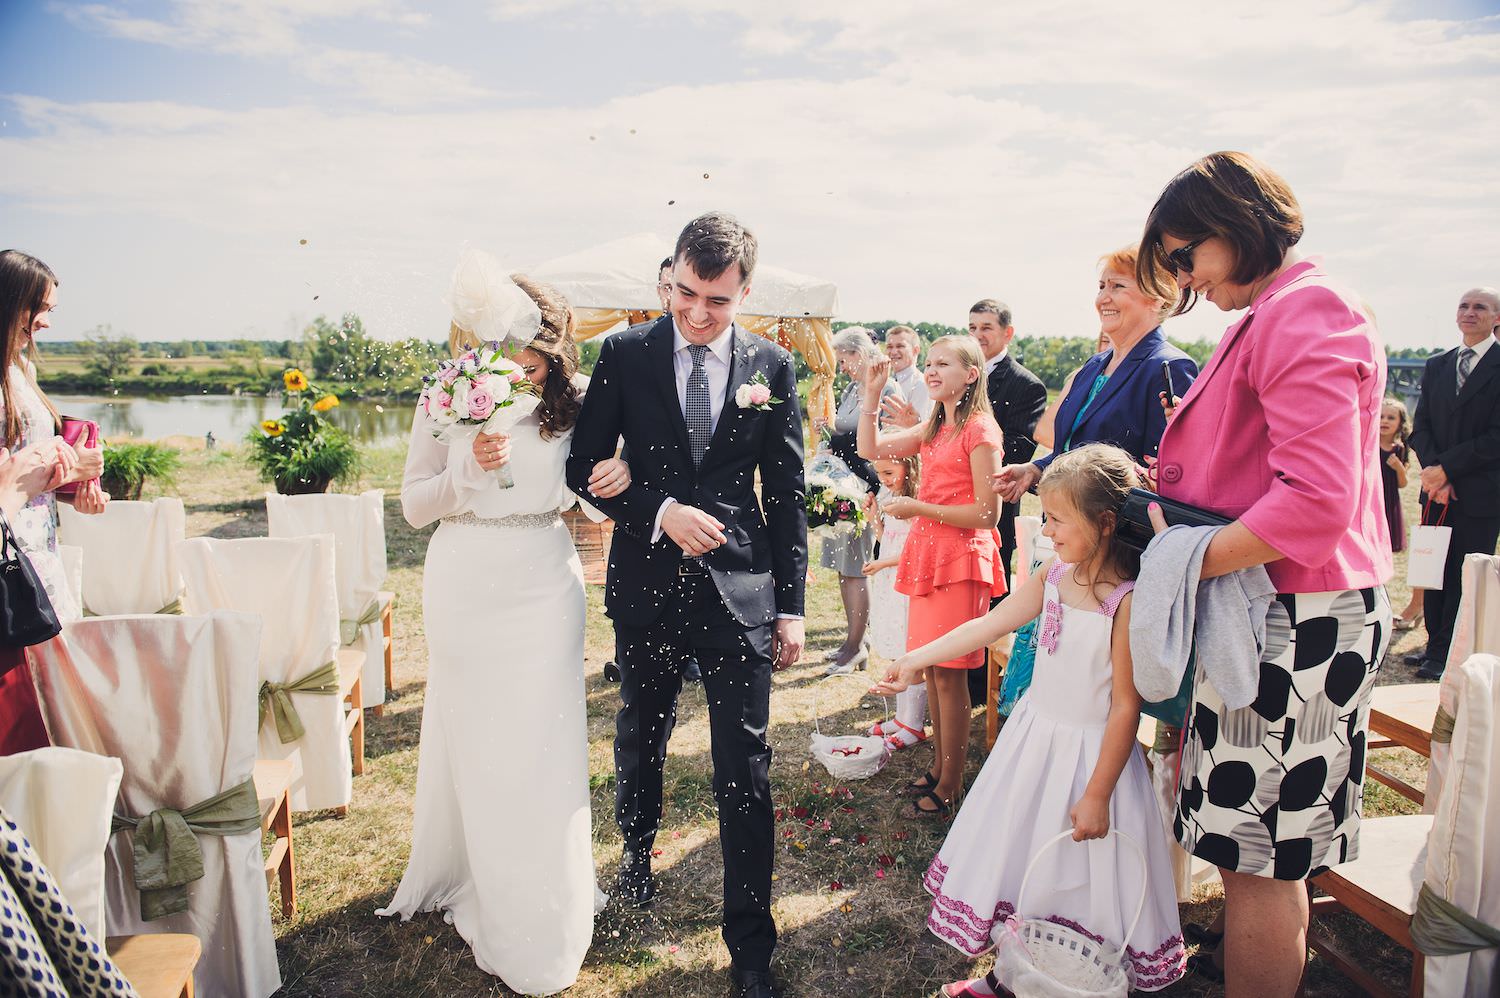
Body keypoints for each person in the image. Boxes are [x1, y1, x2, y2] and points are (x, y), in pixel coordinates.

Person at [1135, 151, 1392, 995]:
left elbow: (1317, 503)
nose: (1183, 278)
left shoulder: (1304, 306)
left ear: (1238, 226)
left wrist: (1184, 554)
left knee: (1261, 866)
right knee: (1257, 858)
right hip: (1280, 615)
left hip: (1296, 619)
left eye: (1185, 256)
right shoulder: (1275, 309)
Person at [565, 212, 806, 998]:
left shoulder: (773, 364)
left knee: (747, 769)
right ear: (670, 277)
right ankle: (637, 846)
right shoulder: (624, 354)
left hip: (741, 591)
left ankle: (751, 949)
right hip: (647, 584)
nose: (699, 315)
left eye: (719, 301)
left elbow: (790, 493)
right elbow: (582, 462)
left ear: (746, 294)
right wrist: (656, 510)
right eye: (687, 295)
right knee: (642, 730)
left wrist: (793, 606)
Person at [379, 268, 631, 995]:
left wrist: (616, 479)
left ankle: (545, 901)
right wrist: (467, 473)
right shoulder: (444, 395)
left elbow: (592, 499)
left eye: (534, 351)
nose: (520, 363)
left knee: (543, 740)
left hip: (543, 579)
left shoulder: (579, 404)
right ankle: (484, 882)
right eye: (507, 347)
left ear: (555, 349)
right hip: (464, 578)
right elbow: (414, 507)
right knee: (483, 740)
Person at [873, 445, 1186, 996]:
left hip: (1092, 760)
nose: (1048, 529)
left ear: (1106, 523)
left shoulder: (1126, 601)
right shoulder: (1053, 574)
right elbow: (989, 624)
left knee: (1079, 877)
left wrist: (1097, 793)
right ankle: (1011, 975)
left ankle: (1072, 978)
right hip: (1033, 746)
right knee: (1021, 858)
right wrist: (913, 660)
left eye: (1059, 519)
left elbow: (1123, 707)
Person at [856, 336, 1004, 818]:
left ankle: (951, 785)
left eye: (945, 364)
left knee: (951, 676)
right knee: (935, 669)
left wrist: (917, 507)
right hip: (931, 556)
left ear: (972, 375)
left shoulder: (979, 429)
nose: (933, 371)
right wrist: (872, 396)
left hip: (962, 560)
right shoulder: (937, 426)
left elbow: (987, 513)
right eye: (932, 363)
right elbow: (869, 447)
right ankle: (941, 769)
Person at [0, 250, 108, 756]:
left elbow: (24, 468)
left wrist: (70, 484)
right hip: (9, 562)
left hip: (41, 548)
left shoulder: (19, 368)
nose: (44, 320)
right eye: (38, 307)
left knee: (54, 699)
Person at [994, 248, 1198, 500]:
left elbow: (1165, 476)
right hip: (1066, 527)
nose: (1103, 298)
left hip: (1117, 533)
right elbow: (1073, 448)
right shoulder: (1094, 365)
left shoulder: (1170, 367)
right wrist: (1035, 469)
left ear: (1156, 298)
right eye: (1102, 286)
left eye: (1117, 286)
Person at [1406, 287, 1500, 679]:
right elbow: (1421, 426)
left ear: (1496, 317)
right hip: (1438, 492)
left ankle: (1451, 651)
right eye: (1464, 305)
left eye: (1480, 307)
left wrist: (1448, 469)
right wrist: (1434, 474)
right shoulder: (1438, 365)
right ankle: (1434, 645)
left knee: (1466, 572)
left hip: (1480, 491)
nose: (1470, 312)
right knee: (1434, 569)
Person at [818, 327, 899, 675]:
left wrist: (872, 486)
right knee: (843, 567)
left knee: (857, 569)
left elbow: (887, 444)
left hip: (865, 489)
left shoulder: (886, 389)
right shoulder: (852, 387)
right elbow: (846, 432)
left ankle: (856, 647)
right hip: (841, 487)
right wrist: (827, 431)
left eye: (846, 358)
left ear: (861, 352)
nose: (844, 366)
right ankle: (852, 641)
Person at [970, 300, 1047, 587]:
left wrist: (966, 453)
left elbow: (1020, 448)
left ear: (1008, 333)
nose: (978, 335)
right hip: (952, 499)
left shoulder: (1026, 385)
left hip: (994, 504)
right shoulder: (959, 374)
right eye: (972, 327)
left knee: (990, 591)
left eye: (986, 327)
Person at [861, 455, 925, 749]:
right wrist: (874, 516)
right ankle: (902, 718)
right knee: (898, 651)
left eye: (889, 471)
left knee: (910, 652)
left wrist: (882, 564)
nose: (883, 478)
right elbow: (886, 537)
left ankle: (914, 724)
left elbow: (916, 551)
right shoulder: (893, 496)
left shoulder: (915, 502)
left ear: (909, 465)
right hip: (892, 580)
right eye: (879, 473)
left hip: (907, 581)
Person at [882, 325, 931, 417]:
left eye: (900, 346)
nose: (893, 352)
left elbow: (918, 426)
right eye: (889, 347)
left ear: (915, 350)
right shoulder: (885, 382)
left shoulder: (921, 385)